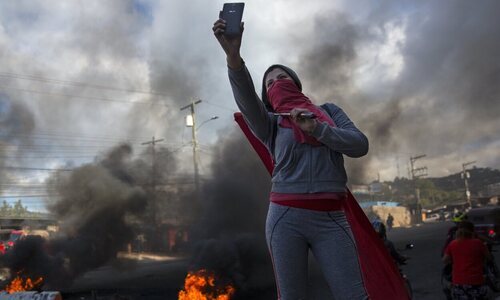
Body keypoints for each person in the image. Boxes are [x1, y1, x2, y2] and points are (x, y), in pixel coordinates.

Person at [213, 18, 370, 300]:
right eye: (270, 83)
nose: (276, 83)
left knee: (354, 296)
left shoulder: (329, 112)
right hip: (286, 218)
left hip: (332, 218)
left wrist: (318, 129)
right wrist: (233, 56)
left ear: (296, 83)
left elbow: (359, 145)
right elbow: (246, 97)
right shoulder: (269, 123)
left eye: (282, 78)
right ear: (268, 98)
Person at [442, 221, 492, 300]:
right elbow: (489, 257)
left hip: (458, 283)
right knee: (488, 293)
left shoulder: (453, 244)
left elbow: (445, 260)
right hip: (476, 282)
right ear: (472, 231)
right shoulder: (478, 243)